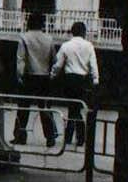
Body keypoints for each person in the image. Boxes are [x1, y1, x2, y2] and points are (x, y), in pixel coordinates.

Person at [12, 11, 60, 146]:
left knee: (23, 108)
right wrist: (51, 74)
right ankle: (50, 137)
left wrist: (19, 75)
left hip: (28, 76)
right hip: (44, 77)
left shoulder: (24, 38)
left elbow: (20, 59)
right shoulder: (49, 39)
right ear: (42, 24)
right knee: (44, 108)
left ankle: (20, 135)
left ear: (29, 23)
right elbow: (54, 59)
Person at [50, 21, 99, 147]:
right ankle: (80, 136)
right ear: (84, 32)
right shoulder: (89, 46)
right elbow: (93, 65)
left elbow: (58, 64)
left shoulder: (66, 46)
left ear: (72, 31)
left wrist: (52, 75)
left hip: (70, 79)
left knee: (73, 108)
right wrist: (95, 80)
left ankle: (70, 136)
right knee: (77, 107)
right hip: (83, 79)